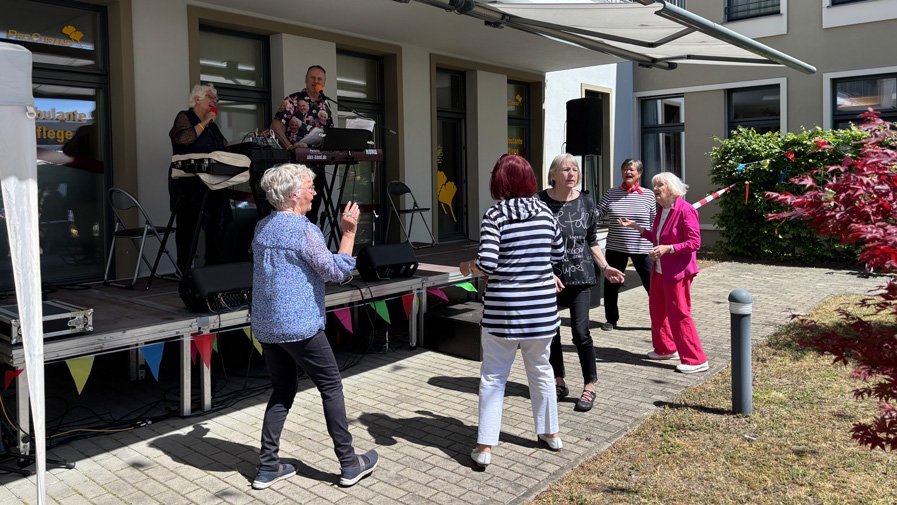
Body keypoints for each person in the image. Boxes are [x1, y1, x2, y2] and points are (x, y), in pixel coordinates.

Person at [250, 163, 378, 489]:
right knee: (331, 387)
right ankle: (350, 464)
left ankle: (268, 468)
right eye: (310, 186)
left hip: (267, 326)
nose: (315, 192)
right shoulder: (304, 230)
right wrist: (349, 233)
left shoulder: (262, 228)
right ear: (294, 195)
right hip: (300, 327)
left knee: (282, 391)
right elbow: (336, 273)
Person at [459, 154, 565, 468]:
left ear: (500, 181)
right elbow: (557, 253)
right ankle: (551, 433)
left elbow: (487, 263)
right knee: (542, 371)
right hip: (542, 311)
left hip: (504, 310)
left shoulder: (496, 214)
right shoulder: (545, 212)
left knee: (493, 378)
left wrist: (468, 267)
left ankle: (485, 446)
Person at [537, 154, 625, 412]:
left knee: (580, 333)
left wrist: (605, 266)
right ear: (553, 174)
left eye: (575, 169)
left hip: (581, 276)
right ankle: (558, 380)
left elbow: (592, 240)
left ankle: (590, 385)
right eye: (566, 169)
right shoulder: (539, 202)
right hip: (549, 278)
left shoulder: (586, 201)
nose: (572, 173)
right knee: (550, 333)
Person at [619, 172, 709, 374]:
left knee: (680, 314)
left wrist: (669, 248)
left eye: (660, 185)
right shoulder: (662, 210)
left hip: (678, 272)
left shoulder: (685, 210)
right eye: (654, 185)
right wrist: (636, 227)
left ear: (672, 188)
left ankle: (696, 359)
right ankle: (665, 349)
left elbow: (695, 243)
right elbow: (658, 237)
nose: (655, 189)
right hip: (660, 270)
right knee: (657, 310)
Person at [168, 83, 232, 273]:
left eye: (216, 99)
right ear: (197, 99)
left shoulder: (212, 125)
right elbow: (183, 139)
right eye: (211, 97)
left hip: (213, 183)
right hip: (189, 186)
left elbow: (224, 147)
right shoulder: (185, 116)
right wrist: (203, 123)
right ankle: (185, 272)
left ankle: (215, 270)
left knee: (220, 224)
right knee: (189, 228)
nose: (215, 102)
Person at [270, 65, 334, 225]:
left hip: (318, 164)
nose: (316, 81)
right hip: (295, 166)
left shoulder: (326, 105)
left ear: (324, 83)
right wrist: (287, 145)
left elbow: (330, 132)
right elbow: (276, 124)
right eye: (313, 78)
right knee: (293, 209)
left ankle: (309, 246)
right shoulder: (293, 100)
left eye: (319, 79)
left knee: (312, 210)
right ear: (306, 79)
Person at [597, 159, 656, 331]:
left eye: (631, 170)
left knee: (651, 285)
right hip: (616, 247)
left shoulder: (649, 195)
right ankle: (611, 319)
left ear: (639, 173)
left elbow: (654, 222)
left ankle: (659, 318)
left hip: (643, 248)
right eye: (624, 169)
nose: (627, 173)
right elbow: (599, 212)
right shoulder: (611, 193)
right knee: (611, 284)